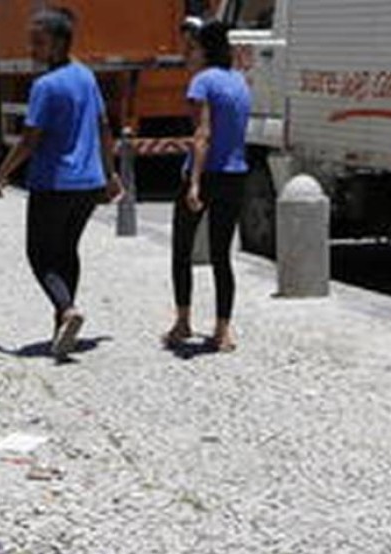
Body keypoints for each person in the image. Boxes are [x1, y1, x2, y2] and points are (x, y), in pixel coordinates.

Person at [0, 8, 123, 359]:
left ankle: (67, 311)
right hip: (89, 184)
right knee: (66, 251)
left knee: (39, 254)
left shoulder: (45, 87)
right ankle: (61, 328)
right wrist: (110, 174)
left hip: (53, 183)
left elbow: (30, 140)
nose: (32, 48)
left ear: (59, 43)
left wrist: (3, 173)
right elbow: (104, 128)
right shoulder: (86, 77)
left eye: (39, 42)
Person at [163, 20, 251, 353]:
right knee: (221, 256)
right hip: (236, 173)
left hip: (206, 172)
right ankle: (222, 330)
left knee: (182, 250)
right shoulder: (240, 82)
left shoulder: (201, 82)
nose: (190, 53)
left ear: (203, 49)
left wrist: (195, 183)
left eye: (193, 48)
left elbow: (202, 135)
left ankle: (183, 322)